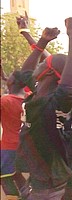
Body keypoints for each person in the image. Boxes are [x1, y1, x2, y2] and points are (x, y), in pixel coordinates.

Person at [15, 17, 72, 200]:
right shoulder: (39, 91)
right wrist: (41, 41)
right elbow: (24, 74)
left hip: (50, 186)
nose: (36, 64)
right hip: (42, 176)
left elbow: (70, 88)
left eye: (41, 63)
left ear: (48, 72)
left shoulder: (56, 102)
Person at [0, 70, 29, 200]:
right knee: (16, 173)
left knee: (4, 176)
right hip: (26, 144)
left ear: (11, 82)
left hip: (9, 145)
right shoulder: (30, 97)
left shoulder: (5, 101)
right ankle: (26, 194)